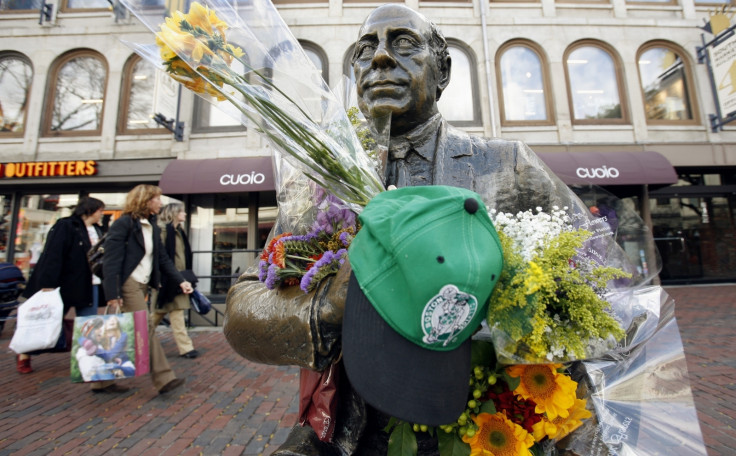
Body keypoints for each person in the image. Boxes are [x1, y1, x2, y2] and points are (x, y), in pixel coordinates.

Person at [224, 5, 576, 455]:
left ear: (442, 69)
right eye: (365, 50)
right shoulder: (321, 183)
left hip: (489, 428)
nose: (381, 59)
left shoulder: (508, 167)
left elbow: (607, 298)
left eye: (404, 44)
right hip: (357, 434)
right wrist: (329, 306)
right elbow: (243, 309)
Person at [102, 184, 193, 395]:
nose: (160, 203)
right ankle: (164, 378)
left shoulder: (152, 225)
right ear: (145, 201)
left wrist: (180, 280)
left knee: (121, 330)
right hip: (128, 284)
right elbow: (111, 261)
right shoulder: (123, 224)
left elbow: (162, 259)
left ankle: (101, 381)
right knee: (145, 329)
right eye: (157, 199)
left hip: (142, 284)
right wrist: (112, 294)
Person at [16, 196, 106, 375]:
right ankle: (24, 353)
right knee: (47, 321)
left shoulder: (98, 230)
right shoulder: (66, 226)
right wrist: (47, 284)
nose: (101, 215)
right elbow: (53, 255)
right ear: (90, 210)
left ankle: (86, 362)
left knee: (88, 325)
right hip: (65, 285)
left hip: (90, 284)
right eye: (100, 211)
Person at [152, 202, 199, 359]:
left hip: (180, 278)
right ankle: (186, 347)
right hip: (168, 279)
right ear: (174, 213)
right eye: (181, 212)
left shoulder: (180, 232)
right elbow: (161, 257)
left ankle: (139, 339)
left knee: (161, 313)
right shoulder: (163, 231)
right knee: (173, 312)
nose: (185, 214)